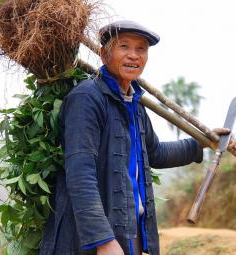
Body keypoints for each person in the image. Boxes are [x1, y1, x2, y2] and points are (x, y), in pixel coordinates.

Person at [39, 20, 236, 255]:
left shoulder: (135, 105)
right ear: (104, 54)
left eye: (141, 49)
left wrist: (203, 142)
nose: (133, 56)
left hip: (129, 233)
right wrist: (103, 241)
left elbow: (155, 153)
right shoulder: (87, 99)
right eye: (124, 47)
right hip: (87, 242)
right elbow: (80, 174)